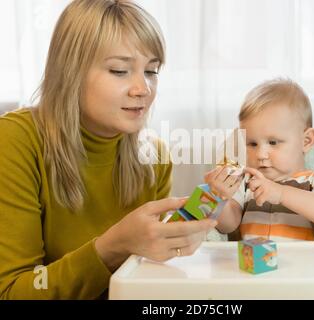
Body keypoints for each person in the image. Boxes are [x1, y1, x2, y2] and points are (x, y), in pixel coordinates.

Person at [0, 0, 217, 300]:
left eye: (151, 71)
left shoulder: (154, 156)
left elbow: (145, 283)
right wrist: (112, 246)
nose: (143, 89)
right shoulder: (15, 140)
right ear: (70, 72)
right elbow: (12, 292)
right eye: (119, 70)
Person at [205, 78, 314, 242]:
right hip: (250, 265)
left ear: (306, 141)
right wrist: (220, 198)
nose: (261, 154)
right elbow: (228, 226)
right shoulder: (245, 182)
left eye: (273, 142)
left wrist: (280, 193)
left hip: (306, 265)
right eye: (252, 144)